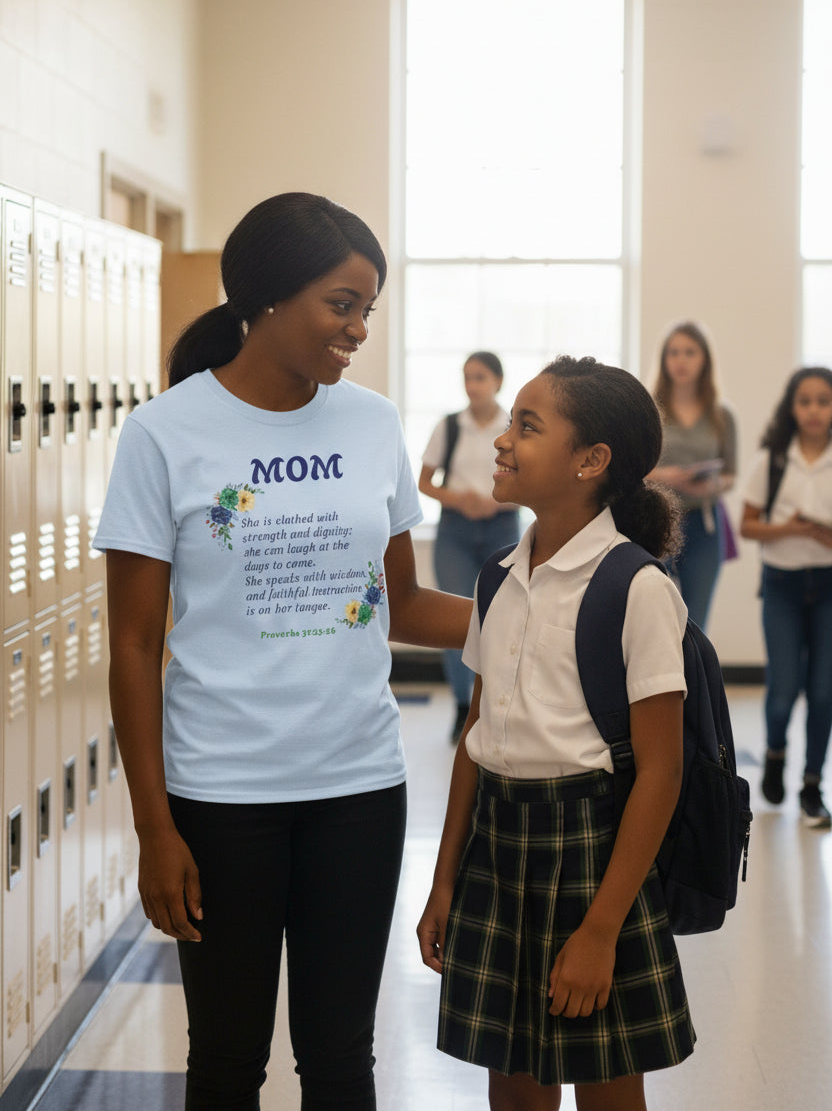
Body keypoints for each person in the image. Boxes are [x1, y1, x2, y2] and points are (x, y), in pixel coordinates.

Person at [93, 192, 472, 1111]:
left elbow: (403, 603)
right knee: (226, 1060)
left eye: (368, 309)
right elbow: (136, 645)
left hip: (358, 785)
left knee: (342, 1060)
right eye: (342, 304)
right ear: (265, 297)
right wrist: (153, 826)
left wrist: (553, 615)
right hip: (221, 796)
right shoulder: (163, 433)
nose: (358, 330)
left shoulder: (371, 423)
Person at [417, 356, 696, 1111]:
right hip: (496, 853)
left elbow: (662, 773)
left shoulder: (636, 587)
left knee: (605, 1090)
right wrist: (444, 881)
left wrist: (602, 930)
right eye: (510, 421)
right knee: (512, 1090)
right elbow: (477, 738)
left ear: (591, 461)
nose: (504, 440)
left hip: (591, 856)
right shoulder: (497, 577)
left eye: (528, 426)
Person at [740, 366, 832, 829]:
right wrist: (794, 529)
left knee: (824, 692)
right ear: (792, 407)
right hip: (782, 585)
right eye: (806, 400)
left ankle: (812, 786)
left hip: (830, 585)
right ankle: (775, 753)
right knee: (783, 691)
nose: (814, 410)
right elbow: (747, 525)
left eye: (824, 400)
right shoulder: (772, 460)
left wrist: (823, 533)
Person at [419, 352, 521, 744]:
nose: (472, 385)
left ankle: (498, 706)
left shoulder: (513, 426)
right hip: (456, 530)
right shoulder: (450, 426)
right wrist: (458, 499)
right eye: (467, 377)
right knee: (457, 615)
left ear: (497, 381)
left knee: (502, 614)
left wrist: (498, 502)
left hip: (503, 526)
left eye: (479, 377)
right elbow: (424, 482)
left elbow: (533, 482)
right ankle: (463, 704)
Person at [648, 320, 737, 631]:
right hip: (658, 520)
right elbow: (634, 468)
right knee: (653, 615)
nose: (681, 360)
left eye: (689, 352)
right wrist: (665, 476)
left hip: (704, 523)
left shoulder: (721, 415)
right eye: (673, 352)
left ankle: (693, 680)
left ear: (704, 359)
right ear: (664, 359)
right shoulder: (649, 409)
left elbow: (730, 474)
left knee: (696, 622)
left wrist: (711, 484)